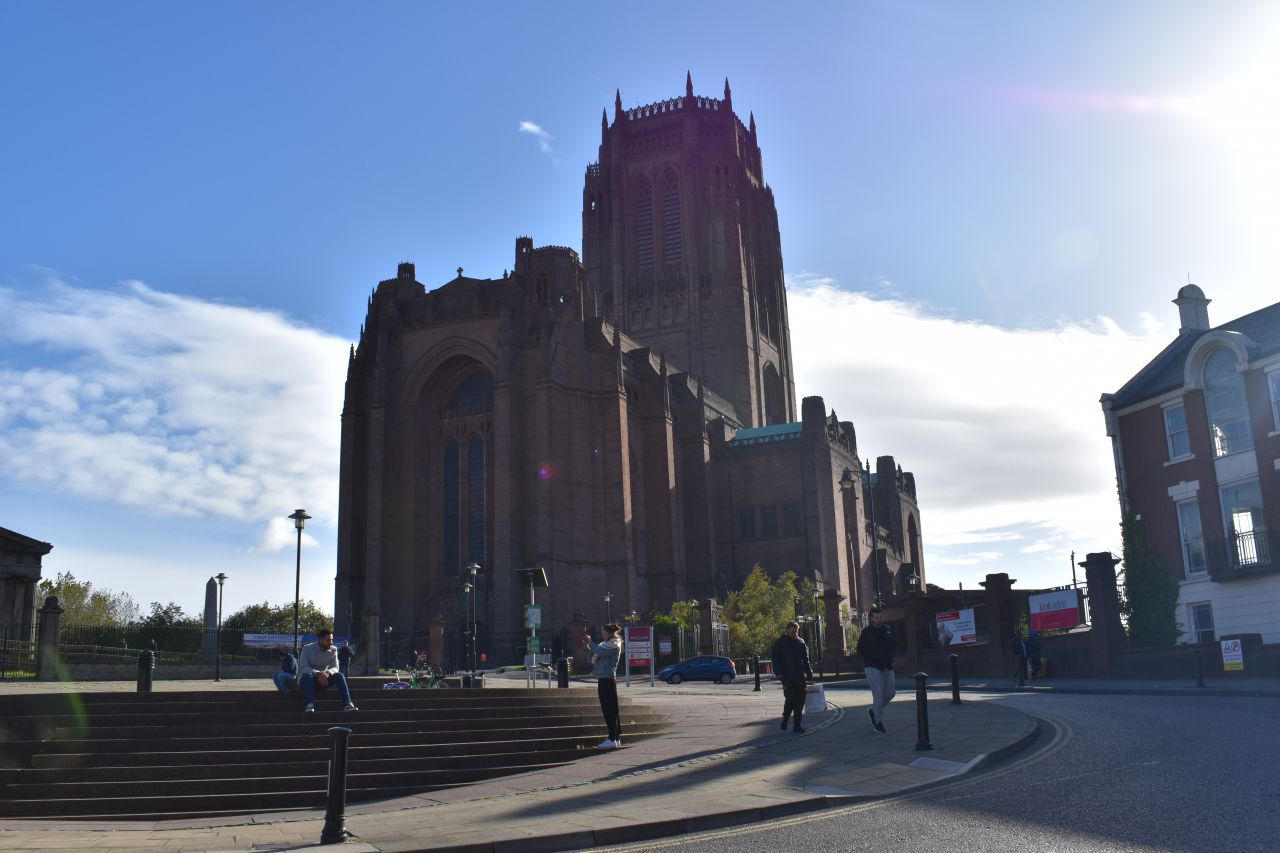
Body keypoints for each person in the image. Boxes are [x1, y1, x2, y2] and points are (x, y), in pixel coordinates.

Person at [299, 628, 358, 712]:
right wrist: (318, 673)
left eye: (331, 640)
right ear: (320, 640)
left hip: (324, 680)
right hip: (307, 681)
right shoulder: (307, 648)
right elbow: (303, 668)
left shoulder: (333, 649)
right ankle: (309, 704)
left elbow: (335, 667)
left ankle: (347, 704)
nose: (331, 642)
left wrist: (327, 673)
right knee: (308, 676)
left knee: (339, 676)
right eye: (328, 640)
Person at [770, 620, 813, 733]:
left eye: (796, 632)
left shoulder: (801, 642)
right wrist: (778, 673)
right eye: (792, 632)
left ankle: (797, 725)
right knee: (790, 698)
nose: (794, 634)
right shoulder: (780, 642)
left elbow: (805, 659)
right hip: (786, 676)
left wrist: (809, 671)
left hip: (799, 675)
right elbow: (775, 658)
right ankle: (786, 718)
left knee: (800, 700)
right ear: (787, 630)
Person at [856, 607, 895, 733]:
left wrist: (890, 658)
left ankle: (873, 711)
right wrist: (869, 660)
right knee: (878, 694)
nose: (879, 620)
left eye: (880, 617)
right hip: (872, 666)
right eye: (876, 618)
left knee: (890, 693)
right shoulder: (867, 632)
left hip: (887, 666)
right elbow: (860, 649)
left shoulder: (887, 630)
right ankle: (877, 722)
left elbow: (892, 645)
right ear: (871, 619)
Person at [584, 623, 623, 748]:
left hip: (607, 680)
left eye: (604, 632)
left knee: (609, 710)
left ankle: (612, 738)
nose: (602, 634)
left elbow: (600, 652)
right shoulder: (608, 644)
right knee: (611, 710)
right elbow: (596, 653)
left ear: (610, 633)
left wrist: (591, 642)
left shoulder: (613, 644)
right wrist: (589, 645)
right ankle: (615, 738)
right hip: (605, 679)